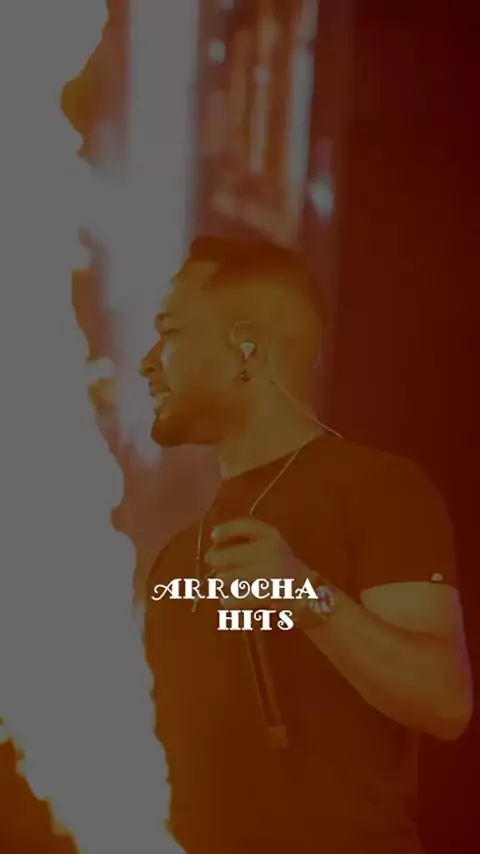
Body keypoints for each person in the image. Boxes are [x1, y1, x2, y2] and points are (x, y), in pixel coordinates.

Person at [140, 237, 472, 854]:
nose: (147, 363)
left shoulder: (378, 490)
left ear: (246, 347)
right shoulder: (177, 554)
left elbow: (445, 701)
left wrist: (303, 595)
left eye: (171, 332)